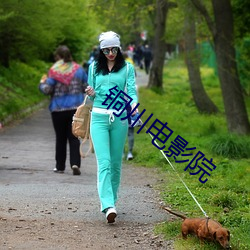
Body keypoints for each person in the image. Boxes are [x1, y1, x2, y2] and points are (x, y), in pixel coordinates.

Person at [85, 31, 138, 223]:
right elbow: (91, 97)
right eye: (106, 50)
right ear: (101, 50)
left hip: (120, 119)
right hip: (98, 118)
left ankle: (112, 201)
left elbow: (131, 91)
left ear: (119, 48)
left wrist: (133, 108)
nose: (110, 53)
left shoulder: (127, 68)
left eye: (114, 49)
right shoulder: (93, 68)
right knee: (104, 162)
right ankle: (107, 205)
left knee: (116, 163)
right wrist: (90, 92)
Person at [39, 45, 88, 175]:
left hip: (58, 109)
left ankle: (60, 166)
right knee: (74, 137)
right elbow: (86, 87)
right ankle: (75, 163)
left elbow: (47, 90)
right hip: (75, 109)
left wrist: (42, 83)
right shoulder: (79, 70)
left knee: (60, 138)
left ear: (58, 57)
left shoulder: (54, 71)